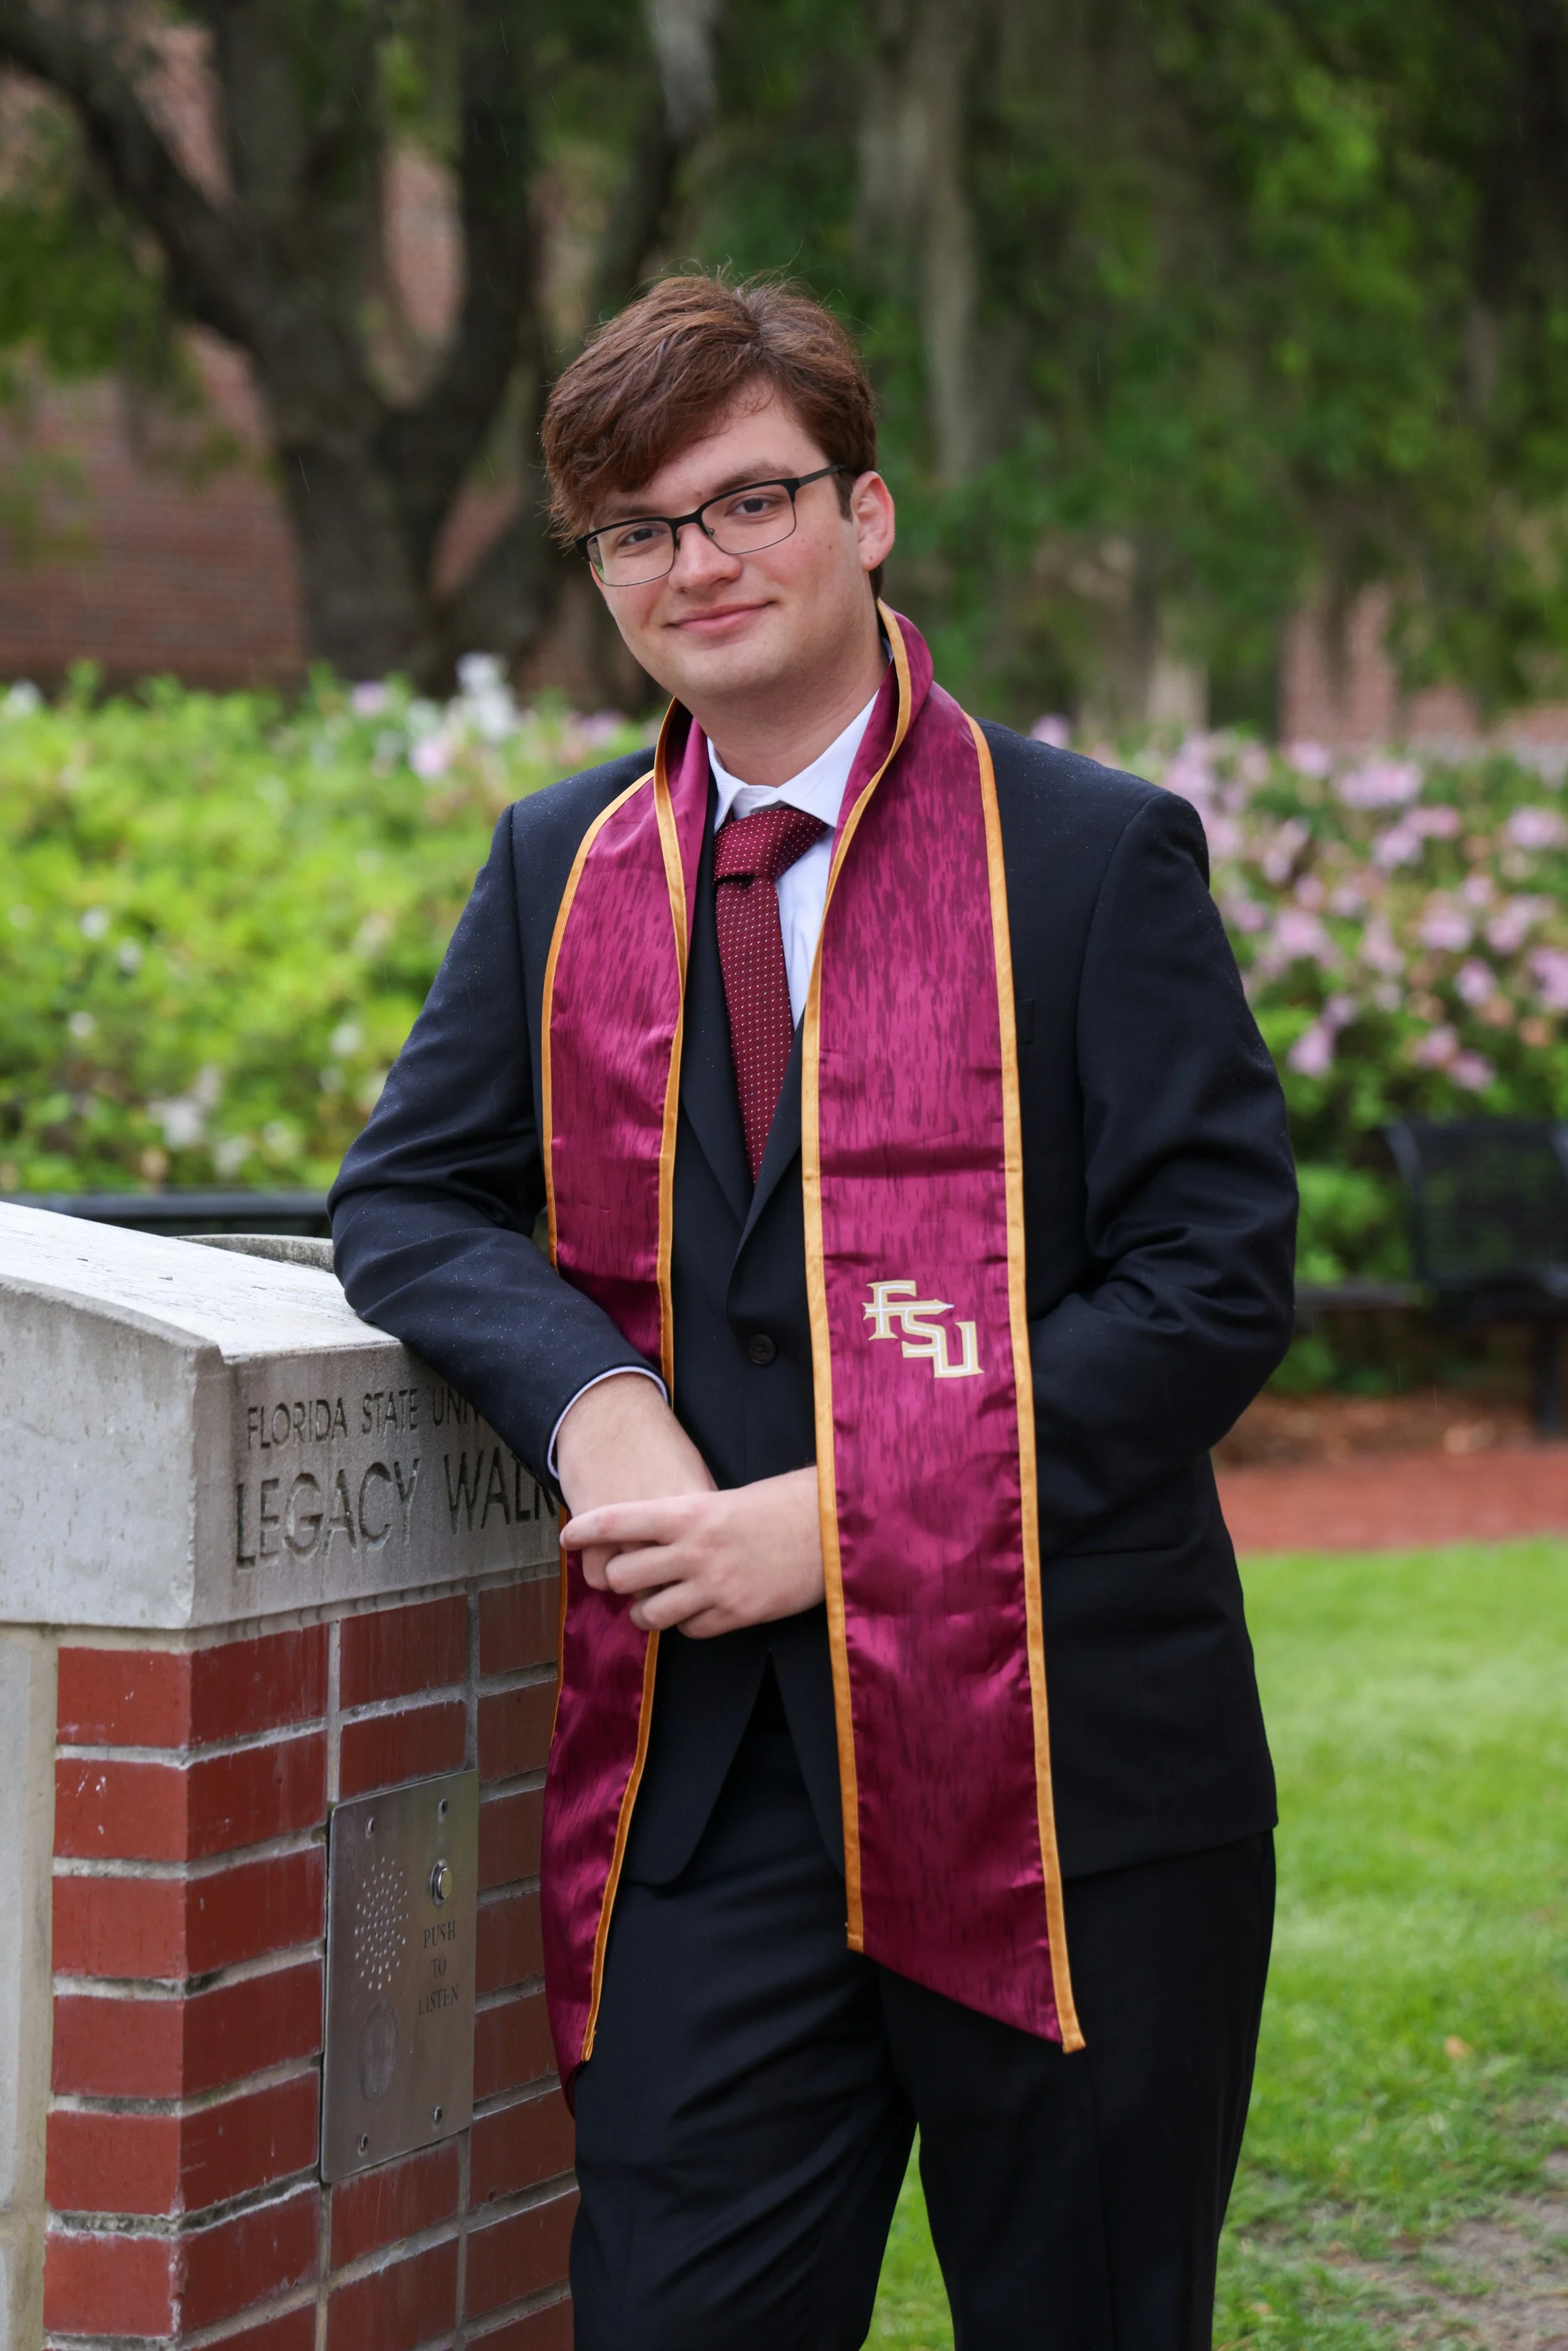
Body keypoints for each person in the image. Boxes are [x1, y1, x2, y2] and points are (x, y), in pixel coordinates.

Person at [330, 273, 1297, 2351]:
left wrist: (843, 1517)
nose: (697, 562)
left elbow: (1210, 1282)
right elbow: (410, 1199)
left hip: (1067, 1776)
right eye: (637, 528)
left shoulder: (1088, 858)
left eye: (748, 499)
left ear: (865, 513)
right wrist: (595, 1403)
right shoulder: (562, 869)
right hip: (720, 1792)